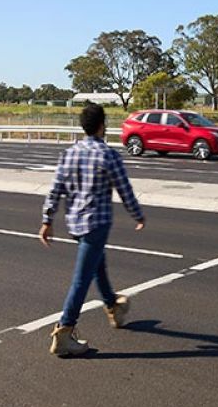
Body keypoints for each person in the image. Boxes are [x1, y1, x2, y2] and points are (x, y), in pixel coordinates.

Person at [39, 103, 147, 357]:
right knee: (82, 278)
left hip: (75, 223)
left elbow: (56, 190)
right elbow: (124, 189)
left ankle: (112, 306)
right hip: (96, 223)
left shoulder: (70, 153)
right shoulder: (108, 155)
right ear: (102, 125)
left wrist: (47, 220)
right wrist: (137, 215)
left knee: (97, 264)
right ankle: (65, 331)